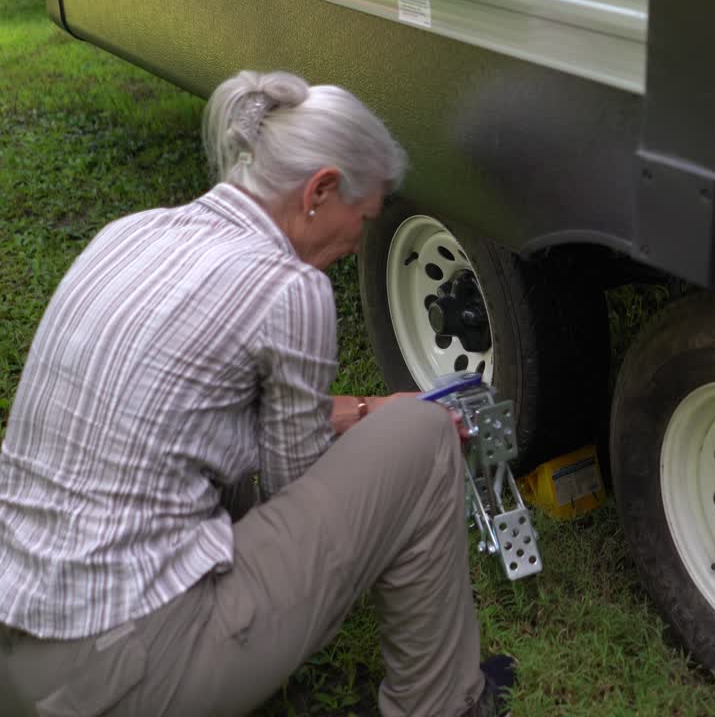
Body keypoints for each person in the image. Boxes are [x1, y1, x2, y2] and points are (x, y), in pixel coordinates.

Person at [0, 70, 513, 717]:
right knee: (422, 437)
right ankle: (444, 703)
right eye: (364, 220)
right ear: (321, 190)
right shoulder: (288, 289)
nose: (358, 243)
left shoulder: (129, 233)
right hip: (127, 679)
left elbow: (194, 411)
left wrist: (359, 412)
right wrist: (394, 438)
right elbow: (292, 481)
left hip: (19, 650)